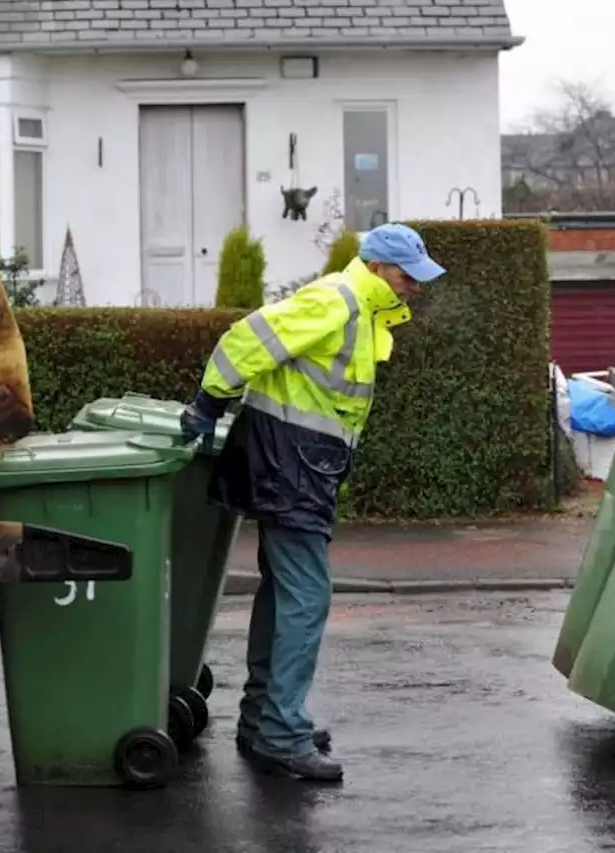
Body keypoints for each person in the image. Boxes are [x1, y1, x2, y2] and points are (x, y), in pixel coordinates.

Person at [179, 223, 446, 780]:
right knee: (307, 596)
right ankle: (280, 733)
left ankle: (264, 722)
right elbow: (245, 339)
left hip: (298, 464)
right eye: (405, 276)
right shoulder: (337, 301)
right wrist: (207, 404)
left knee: (285, 593)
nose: (412, 288)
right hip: (289, 464)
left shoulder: (357, 309)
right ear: (376, 268)